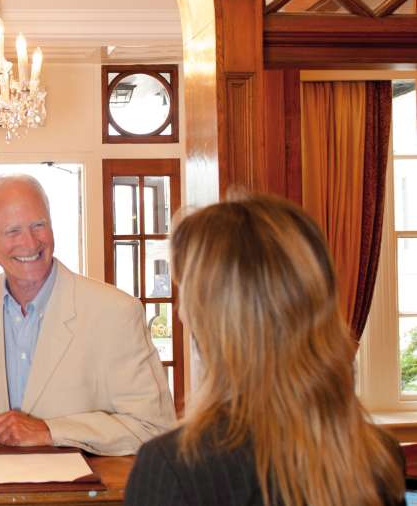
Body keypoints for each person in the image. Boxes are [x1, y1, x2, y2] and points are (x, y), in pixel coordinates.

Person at [124, 195, 405, 506]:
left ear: (212, 319)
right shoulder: (379, 455)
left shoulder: (173, 467)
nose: (179, 312)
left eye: (186, 292)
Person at [0, 174, 176, 456]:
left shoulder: (116, 311)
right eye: (12, 231)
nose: (30, 242)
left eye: (39, 225)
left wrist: (51, 431)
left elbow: (155, 428)